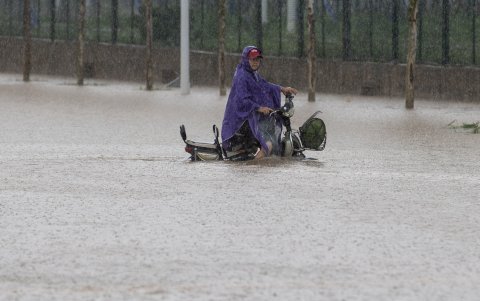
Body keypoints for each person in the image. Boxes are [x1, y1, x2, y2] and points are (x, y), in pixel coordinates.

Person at [221, 46, 298, 159]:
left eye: (257, 60)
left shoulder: (252, 74)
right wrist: (259, 108)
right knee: (268, 144)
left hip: (248, 119)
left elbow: (264, 85)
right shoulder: (242, 76)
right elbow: (242, 100)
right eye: (253, 59)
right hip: (239, 123)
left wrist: (282, 89)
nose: (255, 62)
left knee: (267, 138)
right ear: (246, 59)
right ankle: (254, 166)